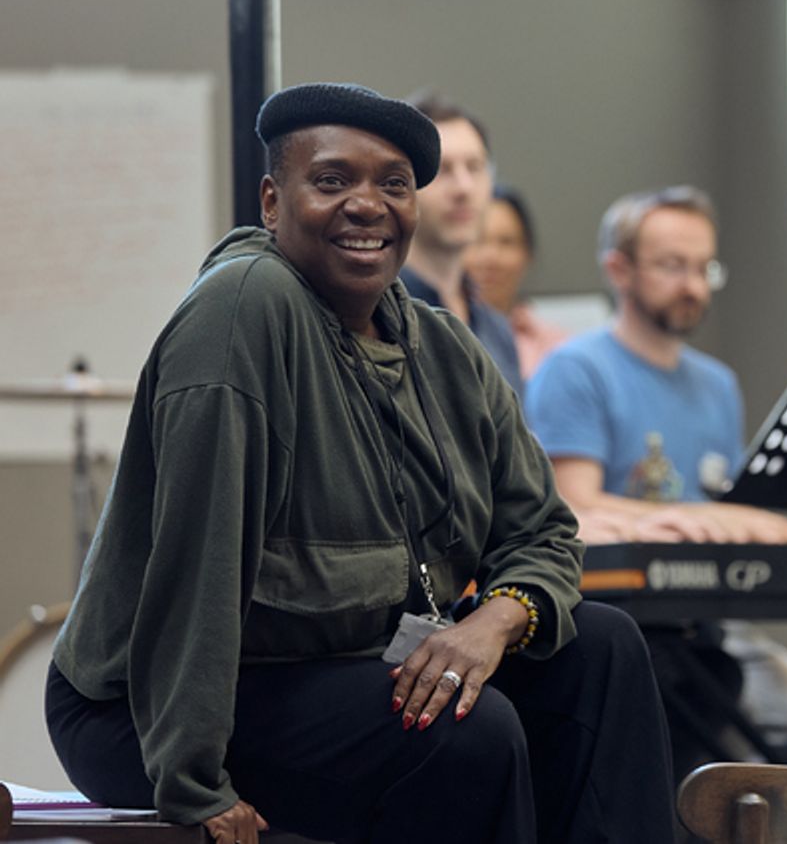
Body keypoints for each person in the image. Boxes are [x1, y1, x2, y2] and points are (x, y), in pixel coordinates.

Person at [44, 83, 675, 844]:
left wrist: (495, 624)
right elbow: (197, 569)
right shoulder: (243, 309)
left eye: (394, 184)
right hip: (144, 710)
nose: (367, 204)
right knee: (467, 734)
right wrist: (191, 781)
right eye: (333, 180)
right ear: (273, 203)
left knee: (603, 651)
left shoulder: (441, 348)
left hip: (346, 663)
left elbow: (543, 530)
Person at [524, 185, 787, 778]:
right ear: (619, 269)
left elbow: (720, 509)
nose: (692, 285)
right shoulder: (576, 370)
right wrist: (711, 519)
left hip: (710, 625)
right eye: (671, 265)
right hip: (618, 627)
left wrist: (778, 529)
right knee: (688, 741)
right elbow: (572, 502)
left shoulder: (716, 385)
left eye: (703, 267)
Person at [398, 90, 525, 397]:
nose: (464, 188)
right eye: (442, 169)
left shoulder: (496, 328)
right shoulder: (377, 319)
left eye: (475, 167)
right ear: (401, 183)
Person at [462, 184, 569, 381]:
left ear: (528, 254)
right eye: (477, 240)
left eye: (507, 242)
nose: (491, 257)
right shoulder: (435, 337)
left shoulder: (558, 349)